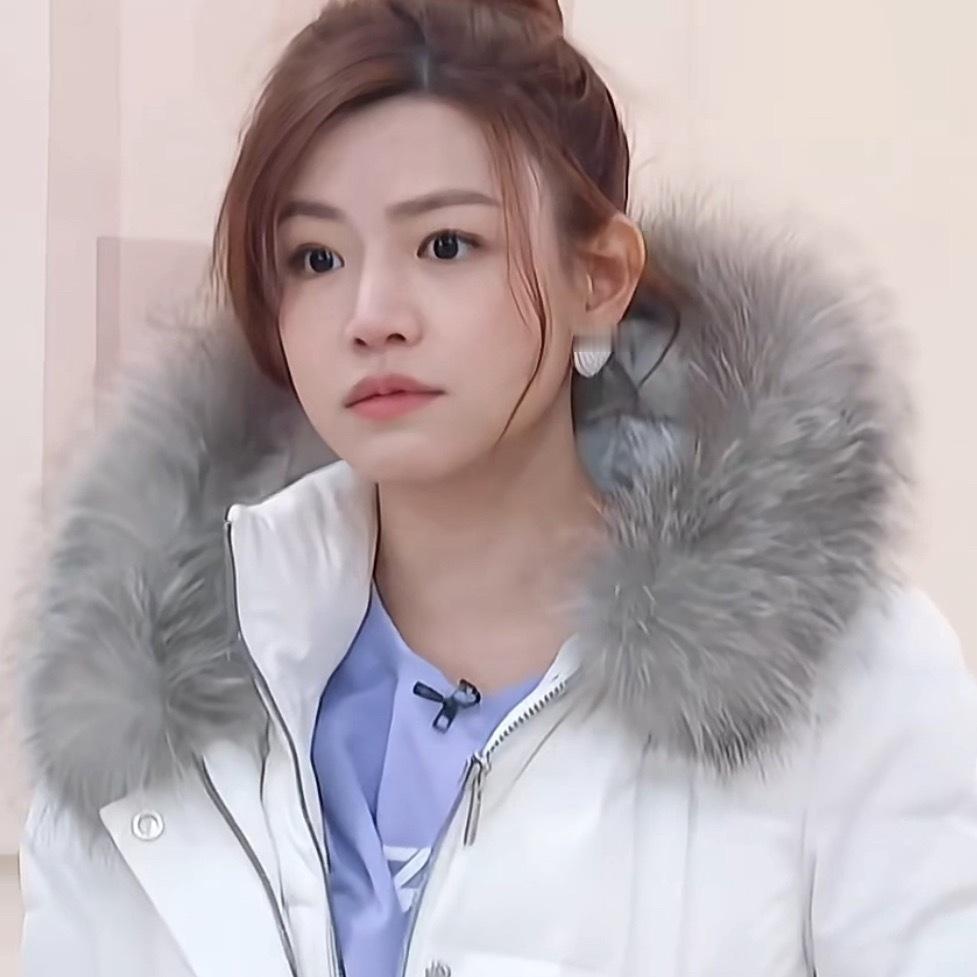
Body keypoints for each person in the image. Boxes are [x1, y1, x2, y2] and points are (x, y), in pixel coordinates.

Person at [17, 0, 977, 974]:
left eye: (445, 244)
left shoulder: (847, 680)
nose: (370, 314)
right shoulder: (139, 704)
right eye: (316, 258)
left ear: (596, 277)